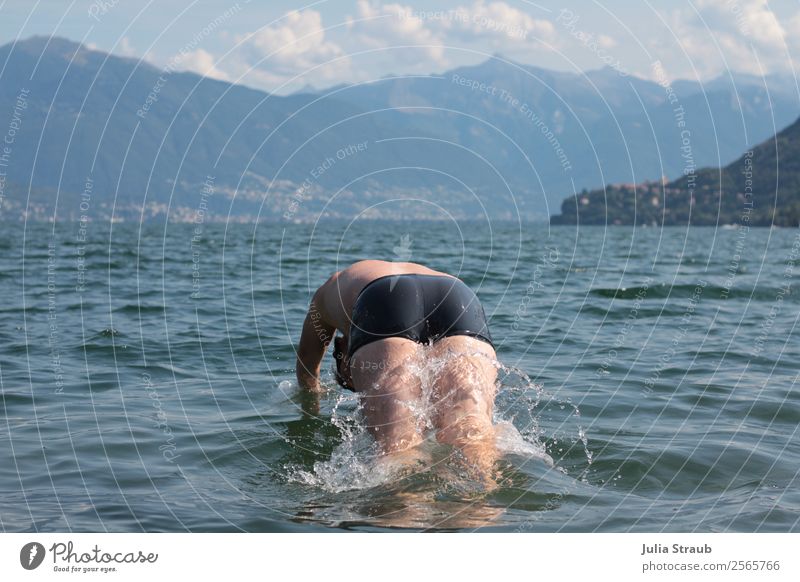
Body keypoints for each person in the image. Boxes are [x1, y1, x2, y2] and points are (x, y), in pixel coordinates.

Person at [295, 260, 498, 477]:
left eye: (351, 380)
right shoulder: (336, 288)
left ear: (345, 356)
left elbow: (307, 363)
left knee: (399, 448)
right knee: (473, 437)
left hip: (381, 297)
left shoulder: (327, 295)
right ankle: (483, 502)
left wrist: (310, 410)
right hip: (458, 294)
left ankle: (403, 507)